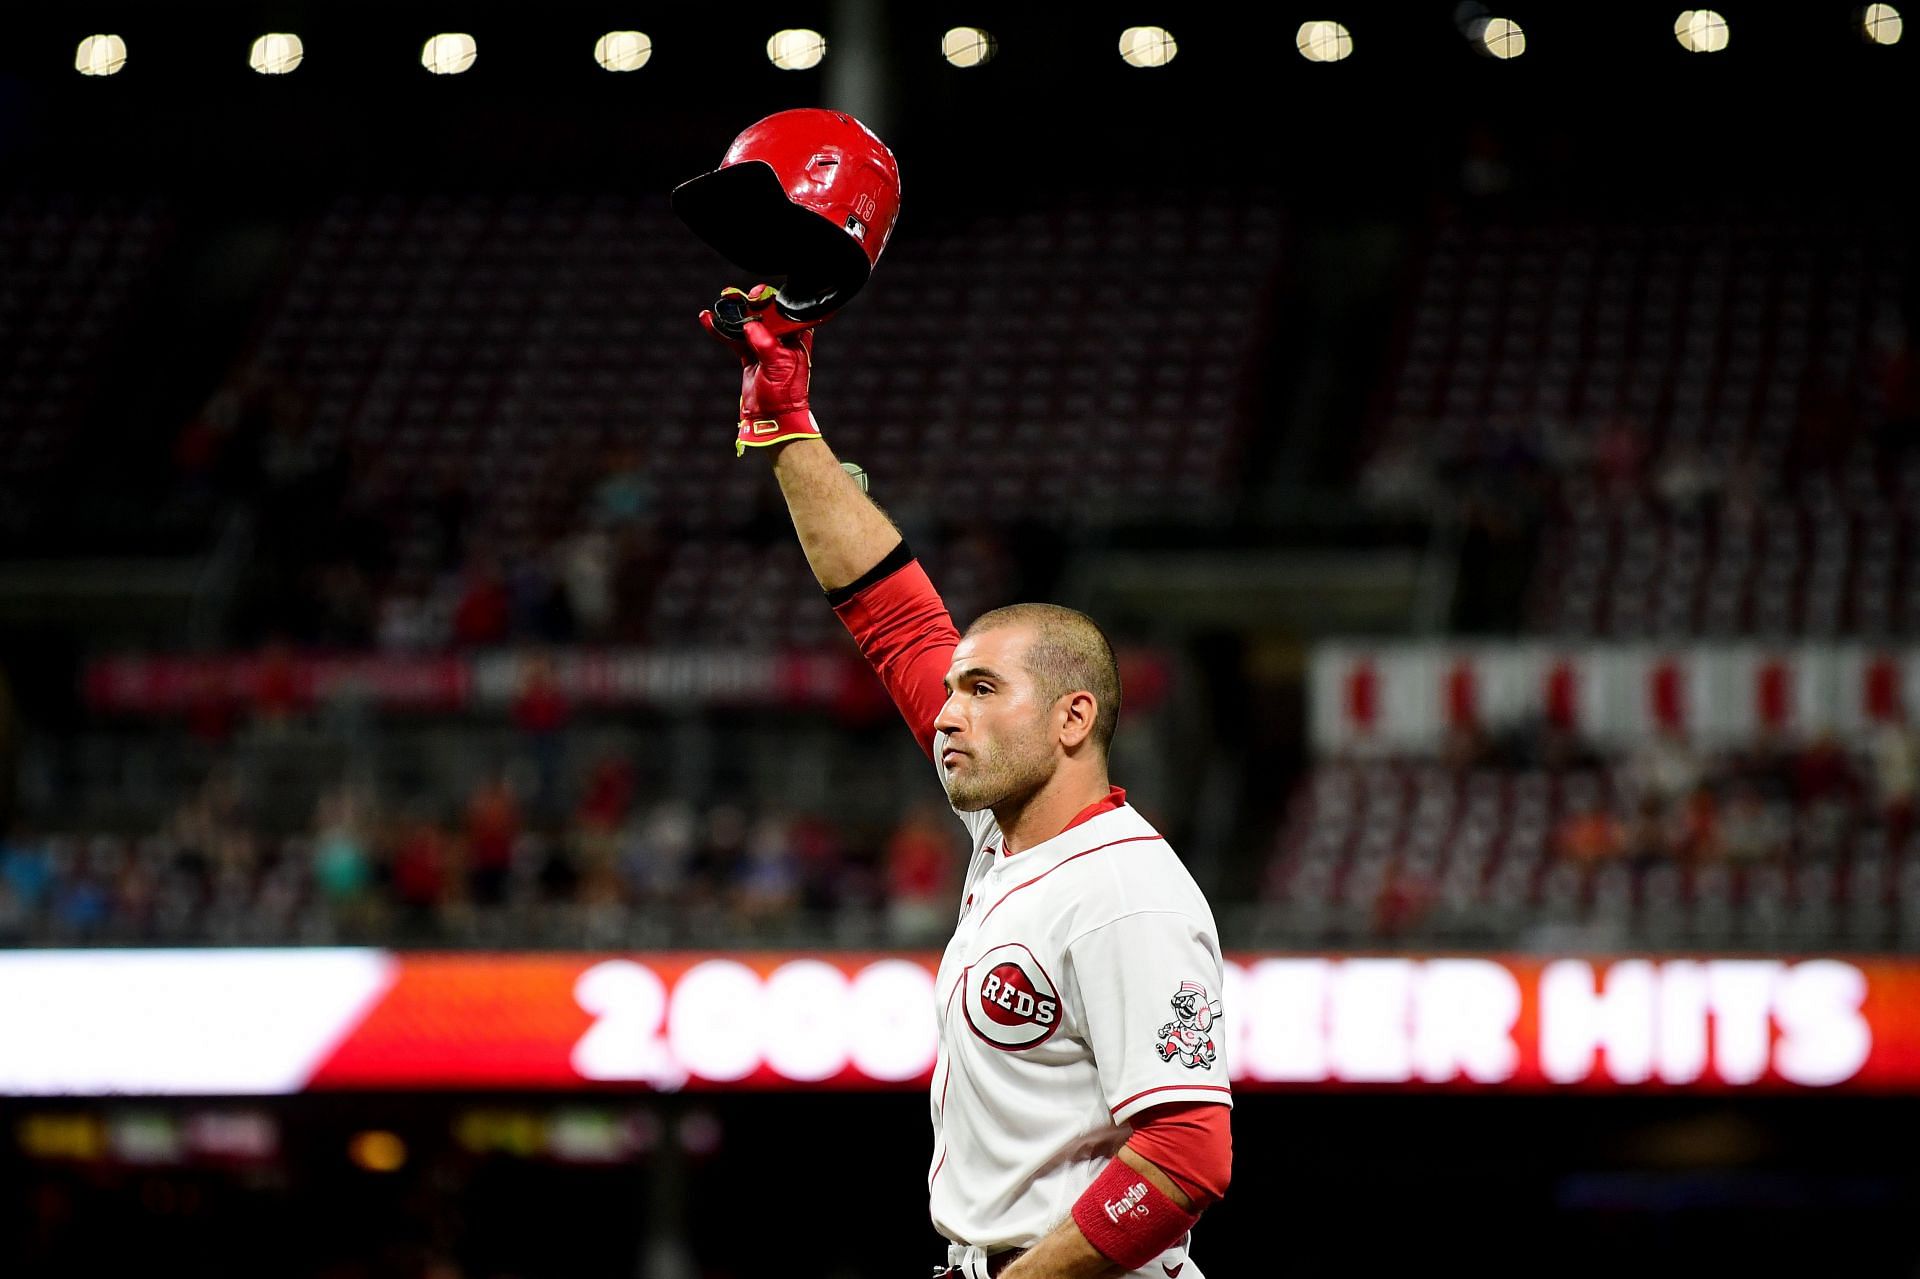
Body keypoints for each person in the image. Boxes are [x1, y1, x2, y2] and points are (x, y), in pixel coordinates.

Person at [700, 287, 1232, 1279]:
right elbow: (890, 613)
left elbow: (1186, 1156)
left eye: (981, 689)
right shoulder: (1012, 834)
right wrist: (785, 425)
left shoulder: (1124, 895)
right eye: (950, 691)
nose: (945, 712)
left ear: (1076, 719)